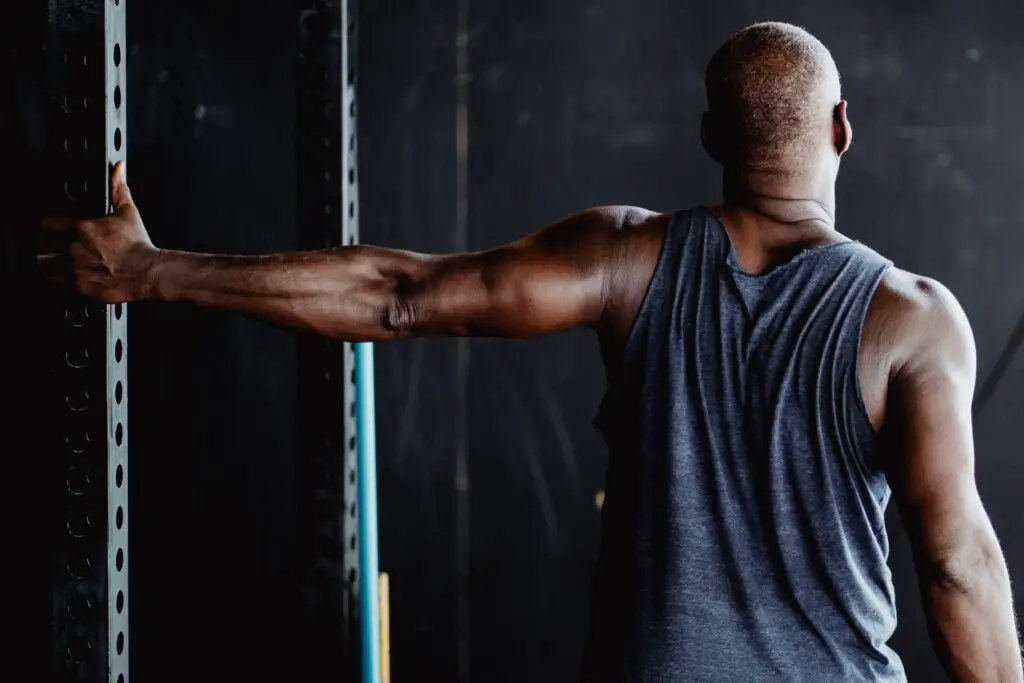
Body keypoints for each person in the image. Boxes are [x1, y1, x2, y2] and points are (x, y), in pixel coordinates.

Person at [39, 21, 1021, 683]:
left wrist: (154, 272)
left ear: (710, 135)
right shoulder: (911, 318)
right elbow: (954, 561)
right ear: (843, 129)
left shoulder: (623, 261)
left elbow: (397, 295)